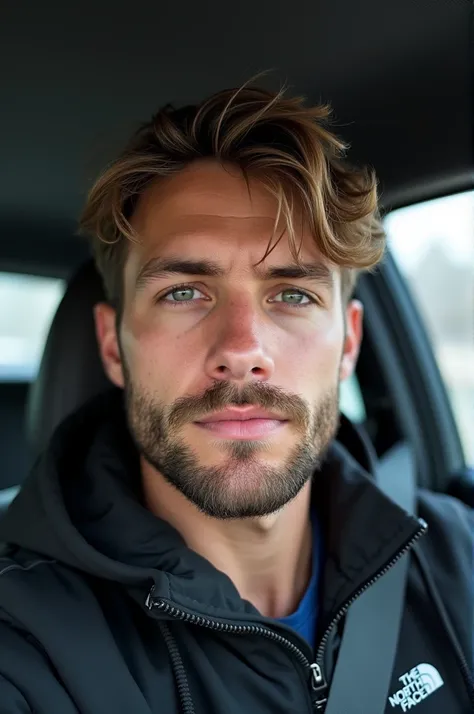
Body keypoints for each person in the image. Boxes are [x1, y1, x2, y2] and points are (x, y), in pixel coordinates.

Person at [0, 83, 472, 714]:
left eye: (293, 295)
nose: (243, 348)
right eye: (184, 293)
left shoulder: (458, 561)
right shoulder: (27, 646)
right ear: (114, 347)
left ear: (349, 344)